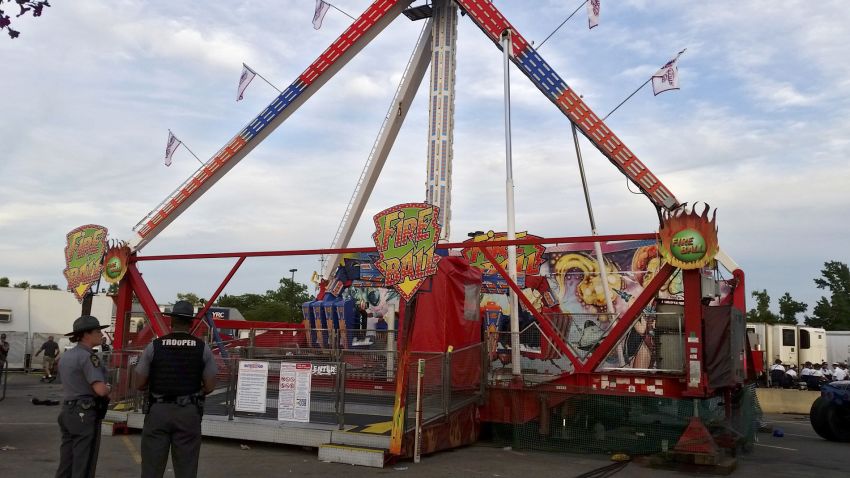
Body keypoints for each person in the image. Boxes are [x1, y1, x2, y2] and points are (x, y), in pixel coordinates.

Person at [134, 300, 217, 478]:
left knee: (151, 466)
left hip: (157, 411)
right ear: (191, 323)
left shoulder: (154, 346)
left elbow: (139, 382)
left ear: (171, 322)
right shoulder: (203, 349)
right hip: (188, 412)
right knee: (186, 467)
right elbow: (210, 385)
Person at [56, 315, 111, 478]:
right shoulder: (89, 357)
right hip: (84, 413)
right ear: (86, 334)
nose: (101, 334)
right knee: (84, 463)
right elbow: (100, 390)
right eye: (98, 331)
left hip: (67, 410)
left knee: (67, 460)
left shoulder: (66, 356)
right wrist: (109, 387)